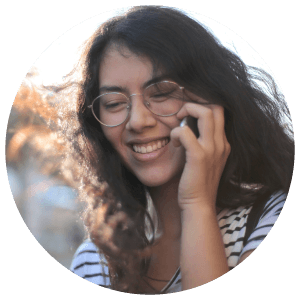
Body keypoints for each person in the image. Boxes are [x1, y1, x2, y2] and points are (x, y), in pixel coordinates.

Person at [68, 6, 294, 294]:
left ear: (212, 100)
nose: (137, 121)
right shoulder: (94, 261)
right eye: (113, 103)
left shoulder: (272, 219)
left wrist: (197, 203)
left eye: (161, 92)